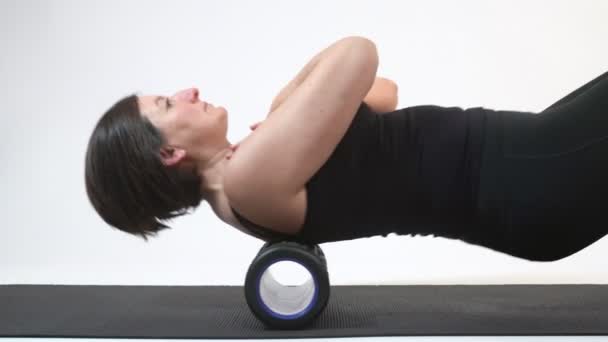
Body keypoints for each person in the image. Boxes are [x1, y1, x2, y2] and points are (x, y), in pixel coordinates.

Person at [85, 36, 607, 262]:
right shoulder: (245, 181)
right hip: (525, 183)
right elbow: (359, 53)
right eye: (166, 104)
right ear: (167, 154)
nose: (187, 93)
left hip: (528, 165)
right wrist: (288, 99)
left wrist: (292, 113)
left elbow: (384, 93)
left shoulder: (253, 164)